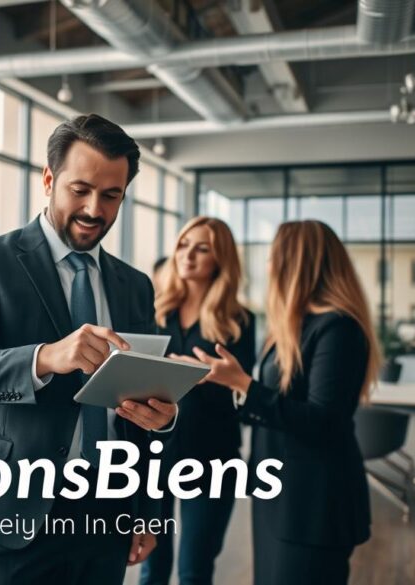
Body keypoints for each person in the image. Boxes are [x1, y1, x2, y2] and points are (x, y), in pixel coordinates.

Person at [0, 114, 178, 585]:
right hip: (9, 508)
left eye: (111, 195)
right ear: (49, 179)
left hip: (107, 511)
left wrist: (150, 503)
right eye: (79, 189)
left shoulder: (136, 285)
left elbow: (142, 405)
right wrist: (46, 357)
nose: (93, 209)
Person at [178, 220, 378, 585]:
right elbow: (273, 405)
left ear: (297, 263)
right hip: (281, 496)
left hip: (314, 504)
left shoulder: (338, 328)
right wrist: (233, 384)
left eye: (274, 258)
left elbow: (323, 421)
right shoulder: (295, 326)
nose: (269, 267)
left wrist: (241, 383)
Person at [141, 217, 255, 585]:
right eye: (184, 245)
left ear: (220, 259)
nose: (188, 255)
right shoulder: (154, 312)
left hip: (212, 456)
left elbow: (242, 395)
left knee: (194, 570)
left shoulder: (238, 321)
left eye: (202, 248)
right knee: (151, 567)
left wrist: (205, 376)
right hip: (154, 454)